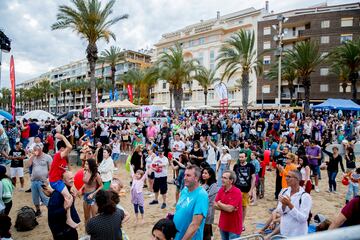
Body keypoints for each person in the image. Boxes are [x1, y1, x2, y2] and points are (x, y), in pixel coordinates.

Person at [48, 133, 77, 228]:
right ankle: (68, 219)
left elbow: (65, 172)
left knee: (71, 195)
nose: (67, 151)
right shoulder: (58, 156)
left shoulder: (64, 159)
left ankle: (69, 216)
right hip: (55, 181)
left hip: (59, 180)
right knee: (68, 197)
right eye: (65, 150)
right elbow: (70, 146)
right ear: (61, 149)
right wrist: (63, 137)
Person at [173, 165, 208, 240]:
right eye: (185, 175)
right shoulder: (184, 190)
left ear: (196, 178)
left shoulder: (201, 195)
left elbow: (195, 225)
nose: (184, 178)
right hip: (177, 235)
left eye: (188, 175)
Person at [275, 170, 312, 237]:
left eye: (289, 177)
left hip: (298, 234)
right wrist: (284, 205)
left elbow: (303, 218)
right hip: (284, 232)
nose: (286, 178)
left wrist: (290, 205)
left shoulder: (305, 196)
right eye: (286, 176)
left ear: (297, 180)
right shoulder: (284, 191)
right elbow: (279, 211)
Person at [48, 171, 80, 240]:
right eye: (70, 178)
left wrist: (73, 199)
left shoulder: (69, 190)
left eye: (73, 178)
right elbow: (52, 214)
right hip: (61, 232)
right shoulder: (57, 195)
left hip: (69, 229)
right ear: (63, 180)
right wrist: (65, 208)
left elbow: (70, 207)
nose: (73, 180)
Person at [214, 170, 243, 240]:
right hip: (223, 225)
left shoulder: (237, 192)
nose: (222, 179)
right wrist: (227, 207)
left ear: (231, 181)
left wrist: (220, 203)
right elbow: (214, 205)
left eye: (225, 178)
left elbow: (229, 209)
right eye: (222, 177)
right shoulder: (221, 189)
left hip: (234, 227)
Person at [27, 143, 52, 216]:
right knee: (35, 198)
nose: (35, 151)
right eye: (34, 150)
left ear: (41, 149)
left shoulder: (47, 157)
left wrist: (48, 179)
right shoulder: (33, 157)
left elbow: (51, 169)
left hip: (43, 181)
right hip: (34, 181)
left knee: (45, 198)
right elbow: (28, 165)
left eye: (37, 150)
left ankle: (50, 212)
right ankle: (38, 211)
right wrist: (33, 156)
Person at [233, 152, 256, 230]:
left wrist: (251, 190)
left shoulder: (251, 166)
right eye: (240, 157)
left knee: (243, 207)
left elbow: (254, 178)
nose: (241, 159)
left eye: (242, 157)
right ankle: (236, 222)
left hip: (246, 190)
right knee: (235, 207)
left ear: (246, 158)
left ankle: (241, 223)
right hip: (236, 190)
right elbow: (234, 177)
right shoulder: (236, 166)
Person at [79, 159, 103, 223]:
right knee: (86, 217)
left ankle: (95, 232)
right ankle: (87, 231)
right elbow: (85, 183)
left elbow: (101, 186)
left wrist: (93, 194)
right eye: (85, 163)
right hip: (85, 195)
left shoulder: (96, 175)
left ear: (91, 165)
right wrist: (81, 189)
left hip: (93, 196)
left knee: (94, 217)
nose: (85, 165)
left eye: (87, 164)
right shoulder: (85, 172)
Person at [200, 167, 218, 240]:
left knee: (206, 230)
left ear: (210, 175)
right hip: (201, 208)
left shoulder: (213, 185)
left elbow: (209, 198)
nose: (203, 175)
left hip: (208, 210)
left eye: (205, 173)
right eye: (203, 173)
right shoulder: (202, 183)